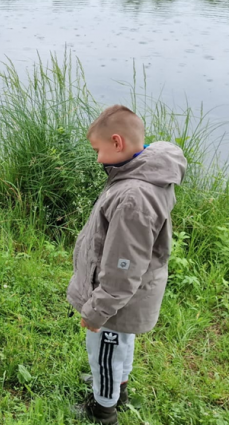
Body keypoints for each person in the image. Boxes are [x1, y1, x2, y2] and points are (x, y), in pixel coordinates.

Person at [67, 105, 186, 424]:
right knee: (120, 345)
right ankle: (119, 387)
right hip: (130, 299)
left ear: (117, 142)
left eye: (98, 150)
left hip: (115, 302)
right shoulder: (143, 172)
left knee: (105, 351)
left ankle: (103, 409)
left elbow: (123, 268)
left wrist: (97, 310)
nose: (97, 159)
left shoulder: (133, 196)